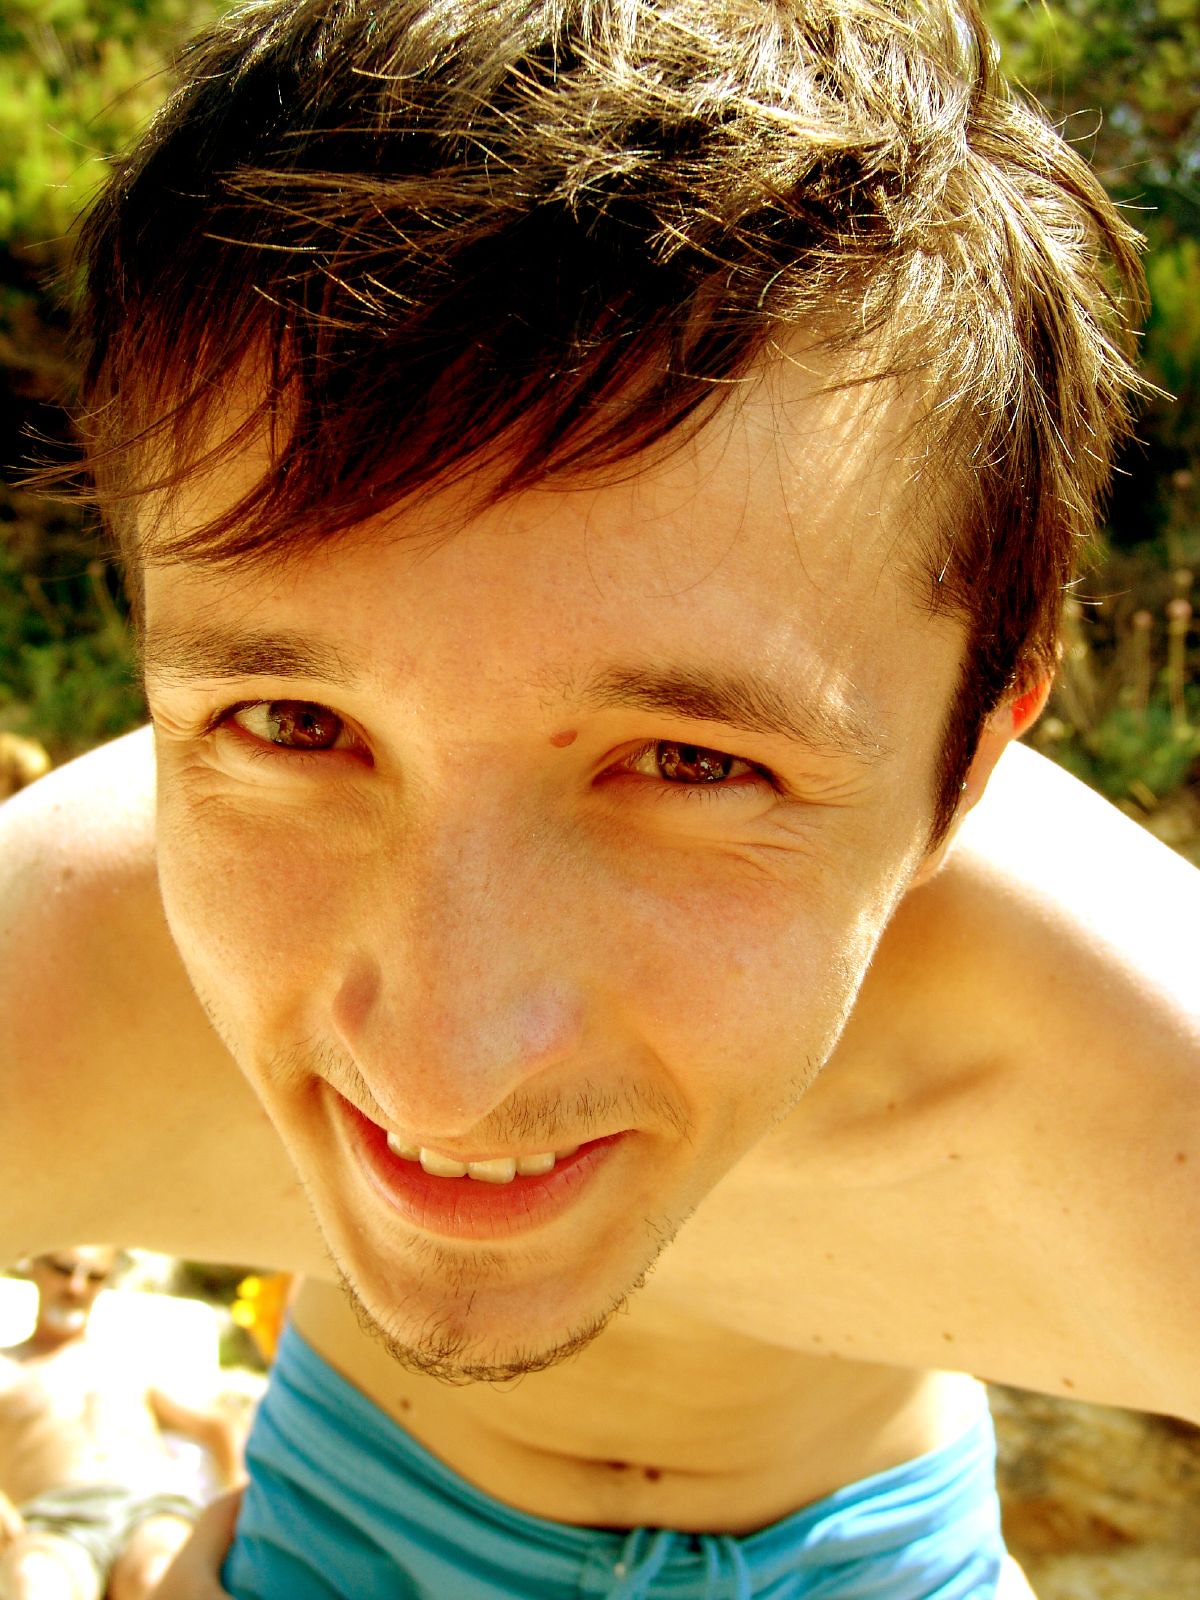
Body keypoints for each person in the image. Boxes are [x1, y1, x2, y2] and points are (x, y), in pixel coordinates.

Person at [3, 0, 1197, 1595]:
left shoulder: (1154, 1098)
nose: (443, 1075)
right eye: (293, 723)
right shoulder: (50, 976)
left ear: (971, 756)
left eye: (695, 764)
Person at [0, 1249, 242, 1600]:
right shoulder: (6, 1368)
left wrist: (237, 1509)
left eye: (94, 1276)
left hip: (149, 1509)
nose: (76, 1287)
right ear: (33, 1265)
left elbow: (220, 1426)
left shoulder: (131, 1361)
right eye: (63, 1270)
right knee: (34, 1583)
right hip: (53, 1519)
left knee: (157, 1574)